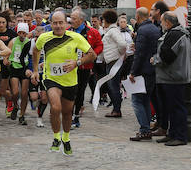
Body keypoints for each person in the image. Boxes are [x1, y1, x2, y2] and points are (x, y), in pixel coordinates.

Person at [31, 10, 94, 156]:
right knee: (55, 107)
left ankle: (65, 138)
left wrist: (77, 62)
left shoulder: (76, 37)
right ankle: (55, 137)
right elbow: (35, 51)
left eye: (61, 23)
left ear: (66, 24)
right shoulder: (44, 38)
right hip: (51, 79)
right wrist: (35, 70)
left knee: (67, 113)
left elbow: (92, 54)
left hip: (70, 81)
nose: (58, 26)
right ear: (50, 24)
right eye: (55, 23)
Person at [151, 11, 190, 146]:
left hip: (173, 77)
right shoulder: (177, 33)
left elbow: (167, 56)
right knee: (171, 108)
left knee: (176, 108)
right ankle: (172, 134)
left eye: (162, 22)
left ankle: (179, 136)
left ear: (167, 22)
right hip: (172, 76)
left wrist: (155, 60)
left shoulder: (175, 35)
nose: (161, 24)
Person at [128, 7, 160, 141]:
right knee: (146, 100)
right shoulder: (154, 28)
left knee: (137, 100)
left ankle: (144, 129)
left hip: (143, 71)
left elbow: (139, 54)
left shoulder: (142, 30)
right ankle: (146, 128)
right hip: (152, 70)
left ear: (138, 16)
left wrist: (133, 72)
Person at [100, 10, 126, 118]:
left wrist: (120, 55)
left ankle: (116, 110)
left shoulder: (113, 31)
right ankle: (116, 109)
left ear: (106, 20)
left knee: (113, 86)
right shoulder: (111, 31)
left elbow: (122, 44)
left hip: (113, 62)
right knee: (112, 86)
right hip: (111, 61)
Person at [8, 23, 32, 125]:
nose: (22, 35)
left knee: (24, 93)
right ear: (18, 33)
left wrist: (30, 69)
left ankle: (22, 115)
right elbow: (8, 52)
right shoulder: (13, 41)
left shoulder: (29, 43)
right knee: (15, 92)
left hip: (24, 68)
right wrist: (7, 60)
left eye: (24, 33)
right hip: (14, 67)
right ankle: (15, 106)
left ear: (26, 33)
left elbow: (31, 57)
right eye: (20, 33)